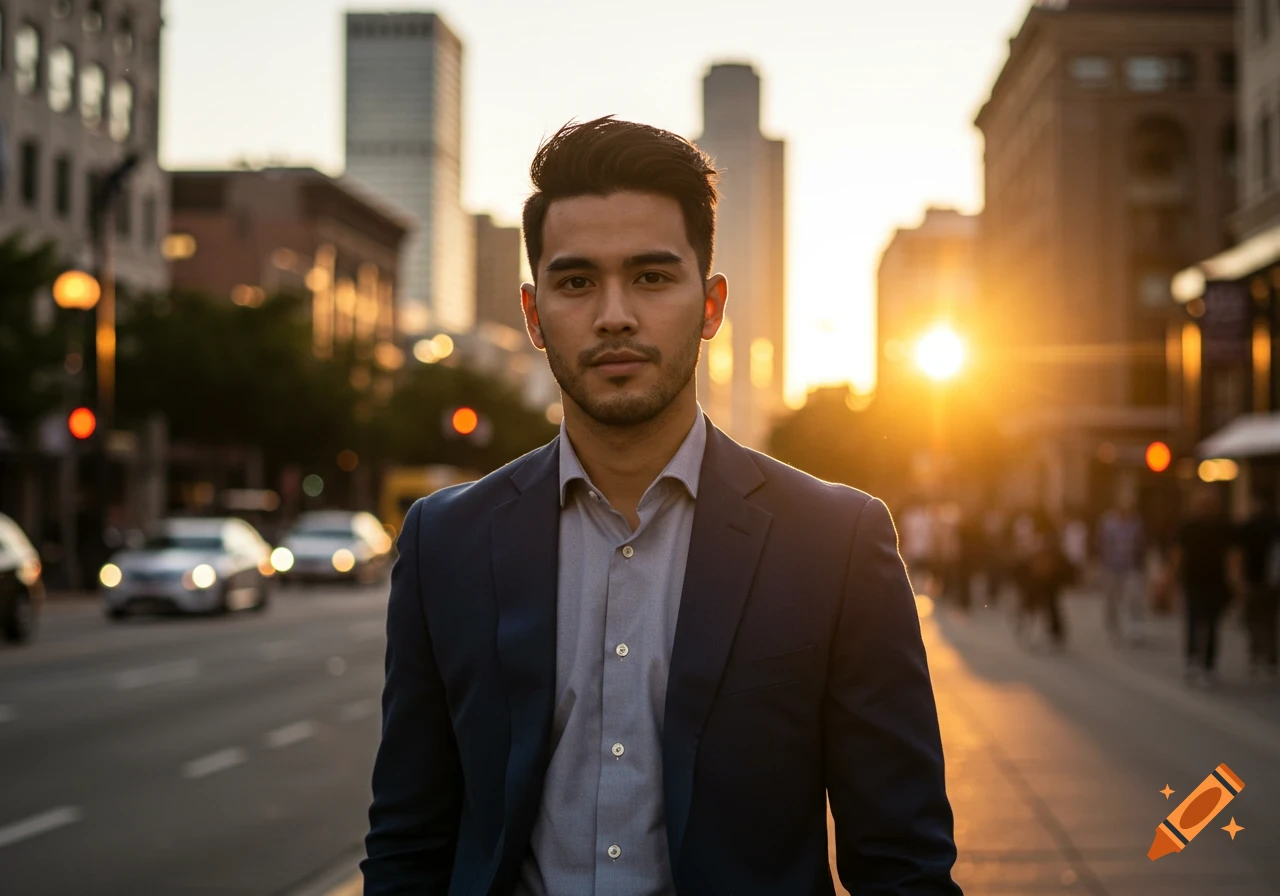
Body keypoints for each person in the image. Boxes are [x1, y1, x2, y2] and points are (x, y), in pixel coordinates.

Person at [361, 117, 961, 895]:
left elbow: (903, 862)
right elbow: (409, 841)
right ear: (534, 315)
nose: (615, 314)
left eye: (651, 277)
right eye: (576, 282)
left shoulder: (835, 541)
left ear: (710, 306)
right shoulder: (445, 540)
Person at [1172, 488, 1237, 687]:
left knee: (1212, 623)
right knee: (1193, 620)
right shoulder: (1188, 526)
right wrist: (1173, 577)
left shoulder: (1224, 526)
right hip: (1193, 580)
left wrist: (1234, 580)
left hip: (1216, 582)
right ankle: (1193, 659)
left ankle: (1208, 664)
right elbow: (1178, 553)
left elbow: (1232, 556)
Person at [1237, 492, 1280, 680]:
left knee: (1253, 619)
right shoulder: (1275, 525)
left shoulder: (1248, 526)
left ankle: (1256, 655)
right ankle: (1270, 659)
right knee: (1269, 620)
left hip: (1254, 580)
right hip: (1271, 580)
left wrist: (1239, 580)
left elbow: (1239, 555)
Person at [1096, 491, 1147, 646]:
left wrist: (1141, 564)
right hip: (1111, 566)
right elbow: (1100, 542)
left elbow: (1141, 543)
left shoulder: (1136, 522)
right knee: (1111, 600)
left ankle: (1134, 629)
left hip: (1131, 566)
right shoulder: (1108, 522)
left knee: (1134, 599)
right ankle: (1113, 629)